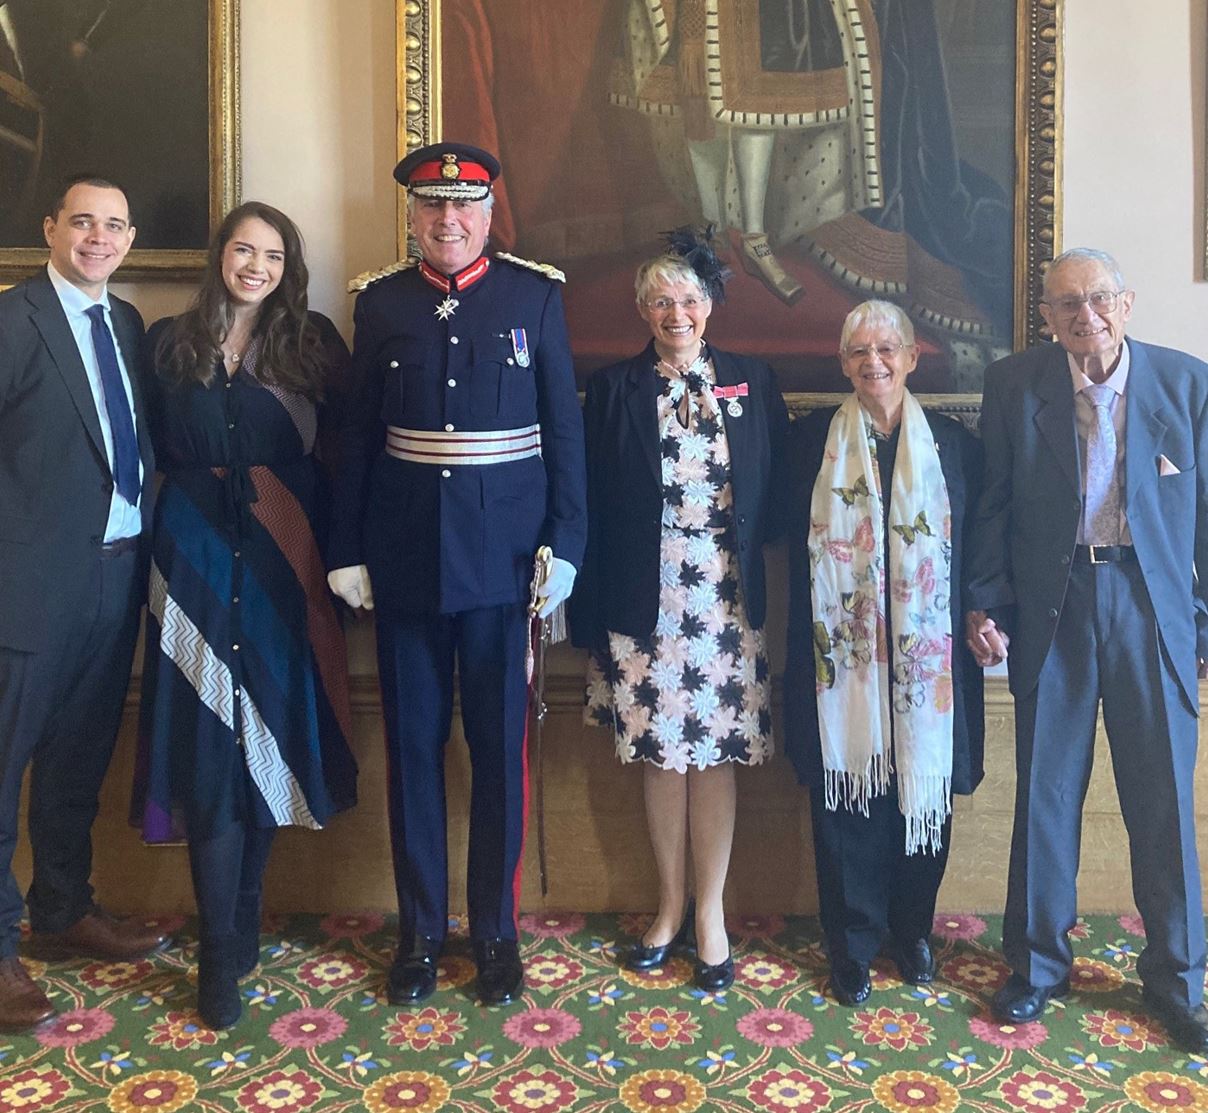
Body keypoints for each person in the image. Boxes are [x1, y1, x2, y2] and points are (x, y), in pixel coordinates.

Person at [329, 142, 587, 1007]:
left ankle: (497, 932)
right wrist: (346, 551)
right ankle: (420, 932)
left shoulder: (534, 297)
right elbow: (355, 439)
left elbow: (564, 436)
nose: (449, 221)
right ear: (414, 216)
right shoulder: (381, 303)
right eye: (434, 208)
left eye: (464, 208)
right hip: (403, 564)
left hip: (508, 566)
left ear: (487, 216)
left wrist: (569, 546)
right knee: (411, 750)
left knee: (498, 755)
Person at [966, 247, 1208, 1053]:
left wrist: (1200, 623)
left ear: (1127, 303)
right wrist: (986, 603)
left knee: (1164, 803)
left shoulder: (1185, 382)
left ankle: (1179, 979)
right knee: (1044, 795)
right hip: (1054, 608)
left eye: (1099, 299)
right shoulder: (1014, 385)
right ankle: (1035, 967)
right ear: (1045, 316)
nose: (1085, 317)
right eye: (1066, 304)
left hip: (1151, 610)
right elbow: (992, 503)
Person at [133, 202, 358, 1030]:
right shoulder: (168, 341)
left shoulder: (313, 343)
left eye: (271, 254)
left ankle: (245, 910)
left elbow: (346, 451)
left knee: (261, 734)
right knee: (205, 749)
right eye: (242, 249)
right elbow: (145, 446)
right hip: (187, 555)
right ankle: (220, 952)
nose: (255, 265)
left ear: (287, 265)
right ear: (218, 254)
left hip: (281, 552)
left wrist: (342, 563)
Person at [570, 230, 789, 991]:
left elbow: (780, 490)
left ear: (710, 305)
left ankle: (712, 916)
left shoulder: (752, 382)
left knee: (716, 754)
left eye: (690, 298)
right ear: (641, 308)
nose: (677, 311)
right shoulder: (612, 390)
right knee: (665, 756)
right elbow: (591, 506)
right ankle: (667, 906)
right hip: (644, 594)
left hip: (727, 594)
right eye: (661, 300)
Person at [0, 175, 169, 1032]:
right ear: (50, 229)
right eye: (82, 223)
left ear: (130, 239)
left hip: (115, 575)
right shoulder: (10, 318)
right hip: (26, 585)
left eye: (113, 225)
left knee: (75, 762)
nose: (98, 238)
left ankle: (63, 907)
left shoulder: (128, 324)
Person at [782, 299, 984, 1005]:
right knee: (849, 802)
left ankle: (914, 930)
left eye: (887, 348)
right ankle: (853, 944)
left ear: (911, 357)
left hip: (931, 668)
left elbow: (981, 549)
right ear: (843, 363)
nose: (874, 361)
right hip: (840, 668)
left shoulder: (955, 446)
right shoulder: (810, 442)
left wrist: (988, 614)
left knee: (921, 792)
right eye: (860, 351)